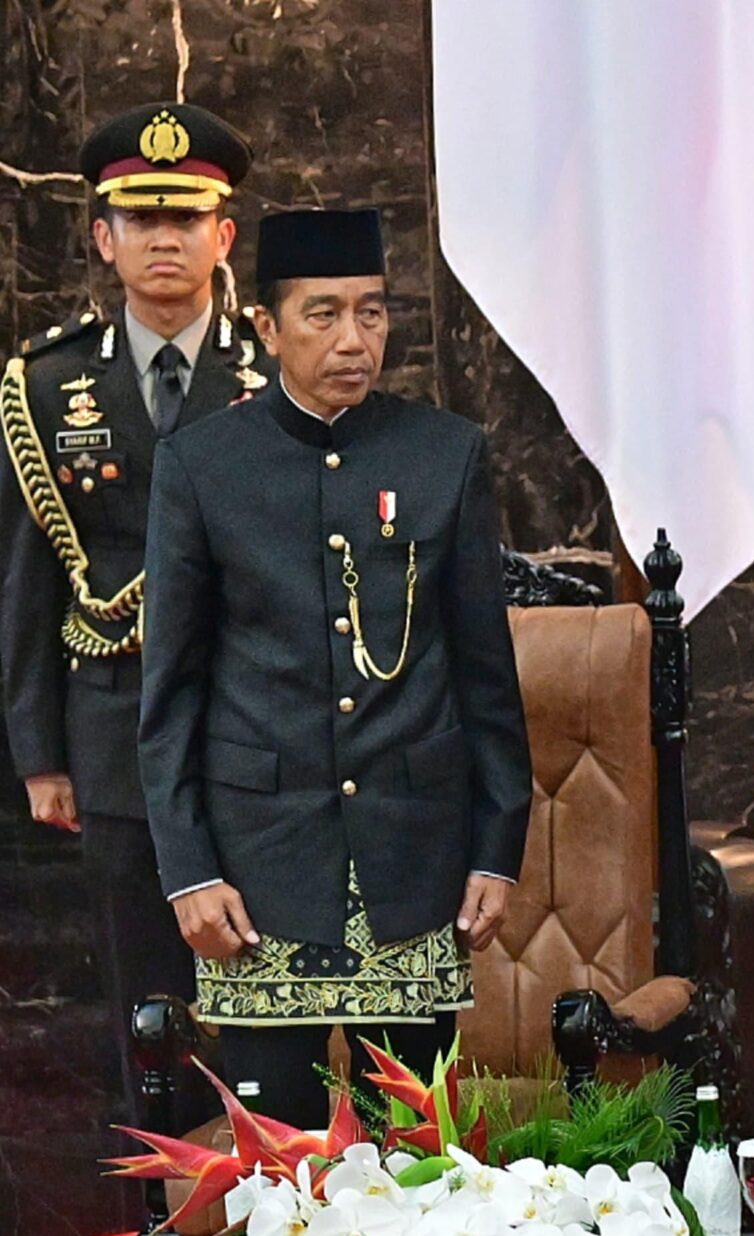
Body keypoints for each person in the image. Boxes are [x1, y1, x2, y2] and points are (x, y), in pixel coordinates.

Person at [137, 207, 531, 1130]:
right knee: (281, 1170)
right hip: (260, 867)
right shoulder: (201, 465)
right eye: (323, 315)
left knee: (417, 1159)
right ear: (268, 328)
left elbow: (485, 675)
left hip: (414, 853)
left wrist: (495, 848)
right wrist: (189, 870)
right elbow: (171, 695)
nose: (355, 340)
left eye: (373, 312)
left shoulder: (447, 455)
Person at [1, 102, 271, 1150]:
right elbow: (25, 584)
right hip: (110, 733)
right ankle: (153, 1226)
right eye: (141, 219)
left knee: (256, 989)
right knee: (139, 999)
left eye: (189, 218)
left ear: (224, 237)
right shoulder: (47, 384)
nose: (166, 238)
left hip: (254, 731)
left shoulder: (275, 373)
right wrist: (39, 756)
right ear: (102, 237)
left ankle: (266, 1210)